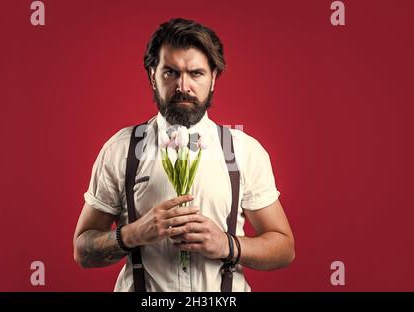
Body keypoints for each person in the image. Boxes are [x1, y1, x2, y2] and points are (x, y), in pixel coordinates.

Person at [73, 18, 295, 292]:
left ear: (213, 78)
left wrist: (228, 245)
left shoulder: (243, 151)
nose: (183, 86)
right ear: (152, 75)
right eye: (171, 73)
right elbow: (83, 251)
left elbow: (284, 248)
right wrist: (133, 233)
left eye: (196, 73)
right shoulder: (121, 149)